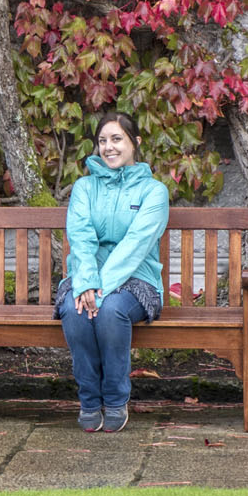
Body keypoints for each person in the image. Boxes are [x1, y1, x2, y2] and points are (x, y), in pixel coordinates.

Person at [58, 111, 168, 433]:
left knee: (110, 310)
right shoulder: (84, 188)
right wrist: (87, 284)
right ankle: (89, 402)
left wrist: (100, 288)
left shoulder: (154, 192)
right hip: (86, 276)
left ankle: (116, 400)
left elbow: (136, 244)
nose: (109, 147)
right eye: (103, 140)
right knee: (73, 310)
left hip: (137, 280)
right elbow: (80, 238)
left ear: (135, 142)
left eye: (117, 139)